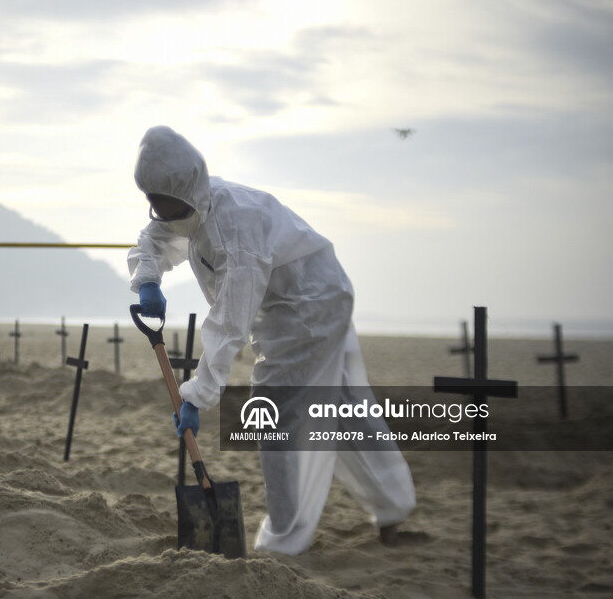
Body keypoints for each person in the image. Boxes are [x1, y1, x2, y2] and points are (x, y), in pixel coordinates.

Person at [127, 125, 416, 555]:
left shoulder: (235, 227)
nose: (156, 212)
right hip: (296, 302)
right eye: (150, 202)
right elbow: (156, 236)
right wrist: (147, 278)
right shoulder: (191, 205)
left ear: (186, 189)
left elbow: (230, 322)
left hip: (311, 306)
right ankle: (393, 508)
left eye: (162, 203)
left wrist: (198, 395)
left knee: (274, 415)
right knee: (344, 405)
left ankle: (283, 540)